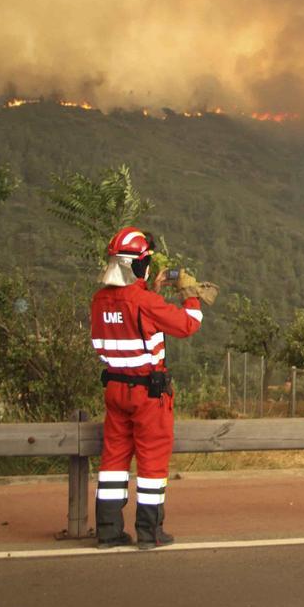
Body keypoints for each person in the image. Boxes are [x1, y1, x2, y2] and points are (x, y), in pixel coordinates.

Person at [90, 227, 205, 549]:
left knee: (113, 459)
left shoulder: (99, 300)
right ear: (140, 264)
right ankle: (150, 532)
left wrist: (150, 290)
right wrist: (190, 292)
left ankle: (109, 532)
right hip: (148, 394)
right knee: (152, 462)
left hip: (114, 388)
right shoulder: (144, 301)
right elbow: (188, 324)